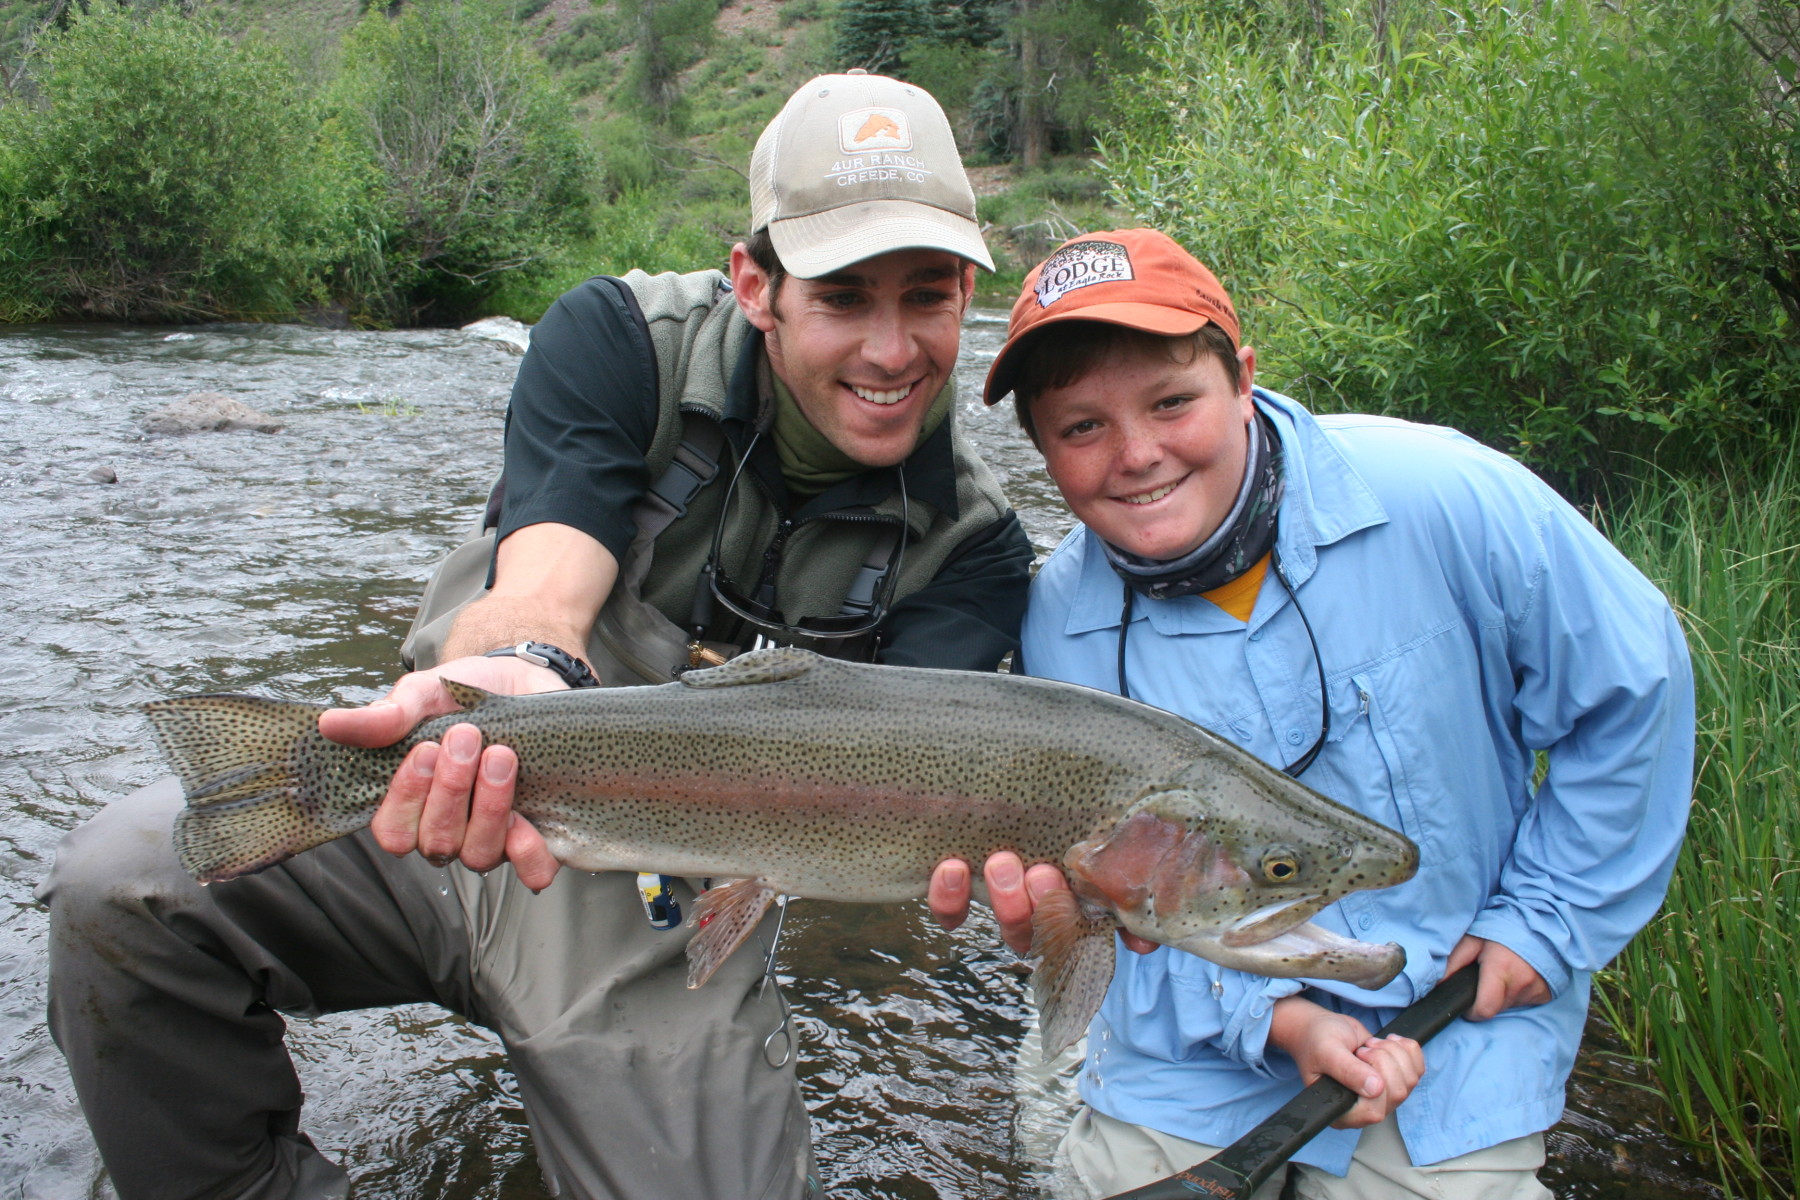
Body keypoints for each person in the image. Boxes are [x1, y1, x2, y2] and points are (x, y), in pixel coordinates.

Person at [40, 72, 1047, 1200]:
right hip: (453, 797)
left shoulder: (976, 548)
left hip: (658, 913)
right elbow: (548, 575)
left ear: (969, 292)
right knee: (123, 887)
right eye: (845, 297)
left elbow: (912, 793)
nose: (891, 348)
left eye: (927, 296)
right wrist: (523, 667)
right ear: (755, 285)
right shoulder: (619, 339)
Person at [980, 229, 1694, 1200]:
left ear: (1244, 380)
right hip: (1186, 1049)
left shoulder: (1445, 497)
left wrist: (1547, 924)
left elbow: (1636, 689)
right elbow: (1110, 890)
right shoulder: (1058, 619)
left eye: (1173, 403)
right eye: (1081, 428)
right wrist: (1279, 1021)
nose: (1138, 454)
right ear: (1041, 450)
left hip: (1449, 1033)